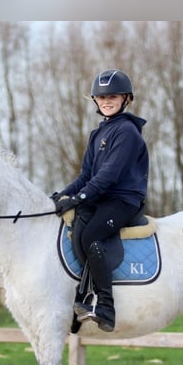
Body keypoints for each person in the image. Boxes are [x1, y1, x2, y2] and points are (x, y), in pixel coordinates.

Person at [52, 69, 149, 332]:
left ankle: (106, 306)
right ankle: (83, 299)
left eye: (113, 96)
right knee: (80, 226)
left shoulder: (127, 131)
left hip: (123, 200)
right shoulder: (98, 133)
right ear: (95, 100)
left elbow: (108, 176)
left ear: (126, 98)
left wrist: (79, 197)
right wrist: (63, 194)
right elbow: (86, 174)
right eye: (101, 96)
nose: (106, 101)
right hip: (102, 199)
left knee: (91, 234)